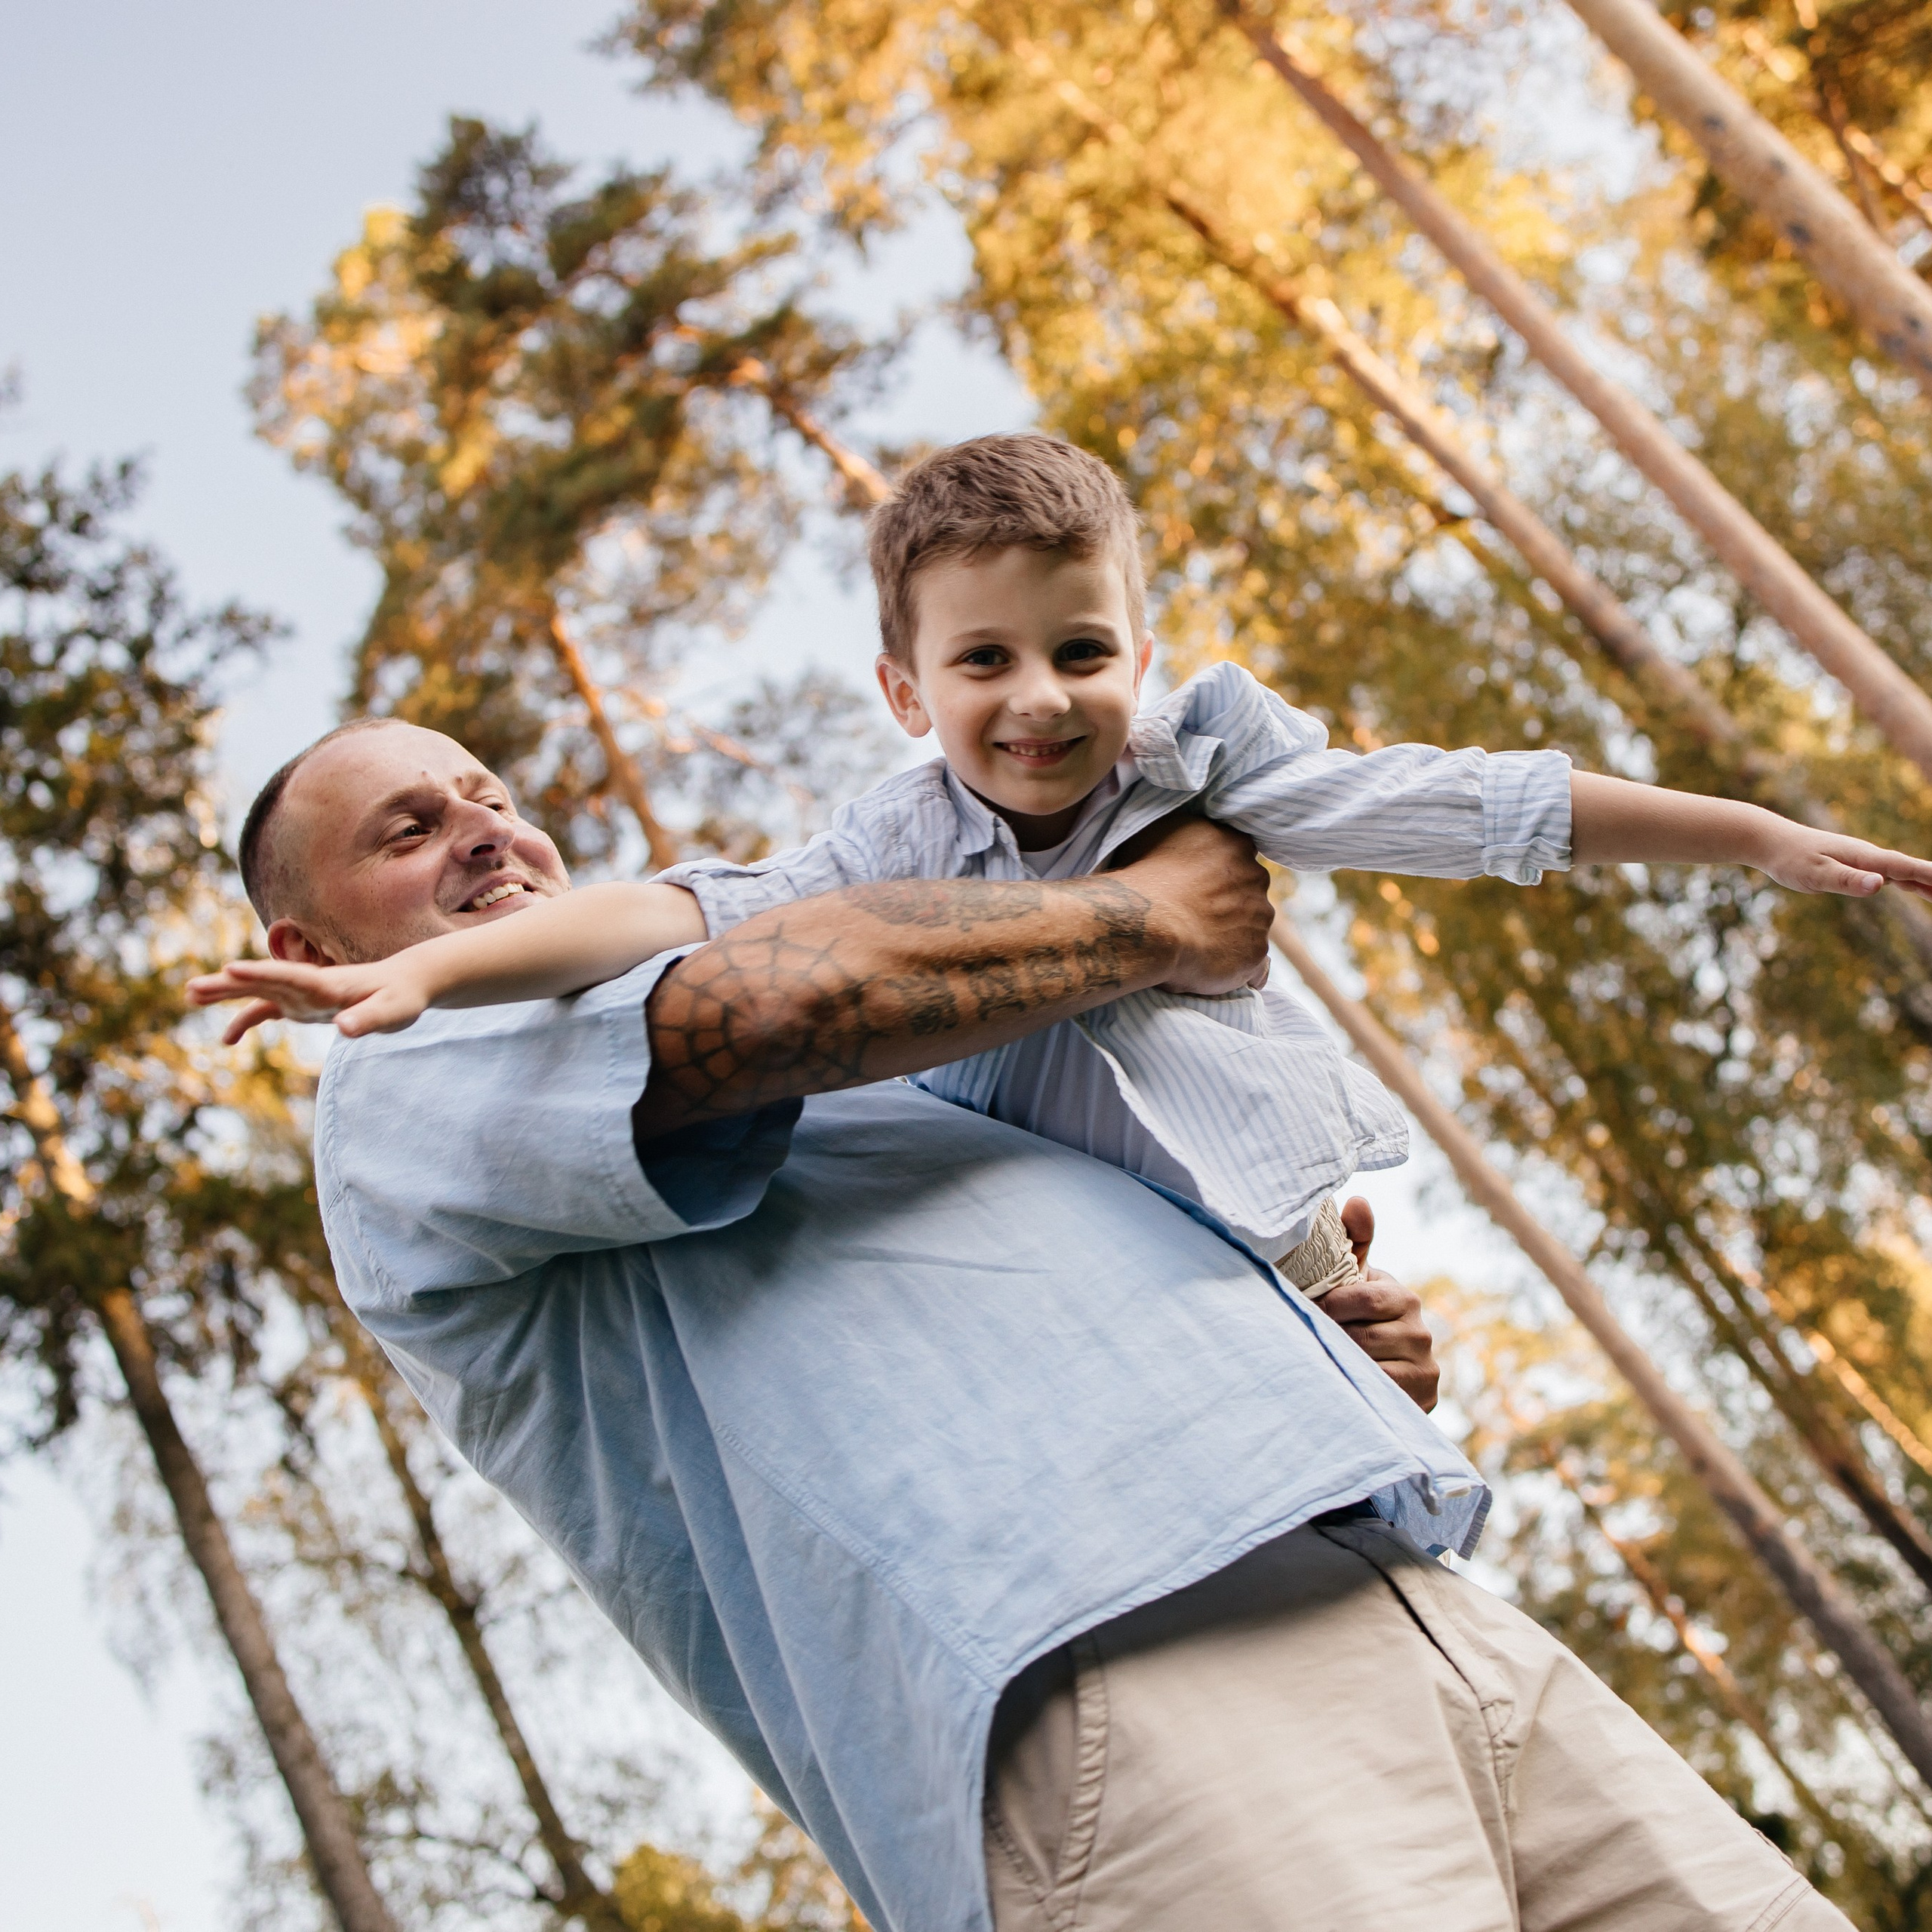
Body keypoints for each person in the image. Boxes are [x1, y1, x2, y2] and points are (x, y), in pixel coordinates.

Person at [206, 713, 1854, 1931]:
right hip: (1098, 1685)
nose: (485, 831)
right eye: (409, 830)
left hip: (1399, 1596)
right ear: (308, 946)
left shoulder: (903, 1091)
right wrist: (1159, 915)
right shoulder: (402, 1080)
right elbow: (803, 987)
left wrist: (1305, 1353)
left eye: (489, 794)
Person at [196, 435, 1932, 1294]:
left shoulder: (1209, 765)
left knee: (1352, 1318)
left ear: (1139, 651)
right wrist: (415, 976)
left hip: (1263, 1222)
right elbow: (681, 915)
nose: (1039, 702)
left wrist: (1749, 834)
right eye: (981, 665)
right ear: (904, 688)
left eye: (1081, 653)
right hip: (1121, 1256)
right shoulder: (885, 844)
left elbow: (1472, 804)